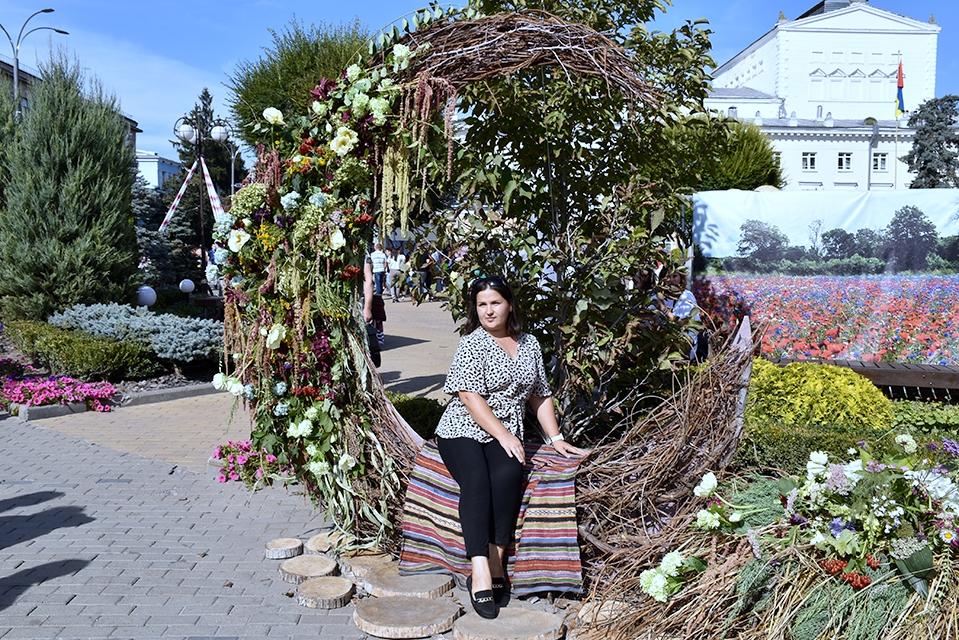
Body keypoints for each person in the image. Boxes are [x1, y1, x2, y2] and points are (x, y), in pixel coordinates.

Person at [434, 276, 584, 619]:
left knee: (507, 476)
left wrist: (556, 438)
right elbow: (469, 397)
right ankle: (481, 569)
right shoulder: (471, 343)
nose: (488, 310)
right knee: (476, 482)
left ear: (510, 305)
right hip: (463, 429)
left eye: (495, 302)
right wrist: (503, 435)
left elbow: (539, 394)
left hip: (505, 433)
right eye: (482, 304)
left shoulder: (529, 344)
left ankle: (497, 557)